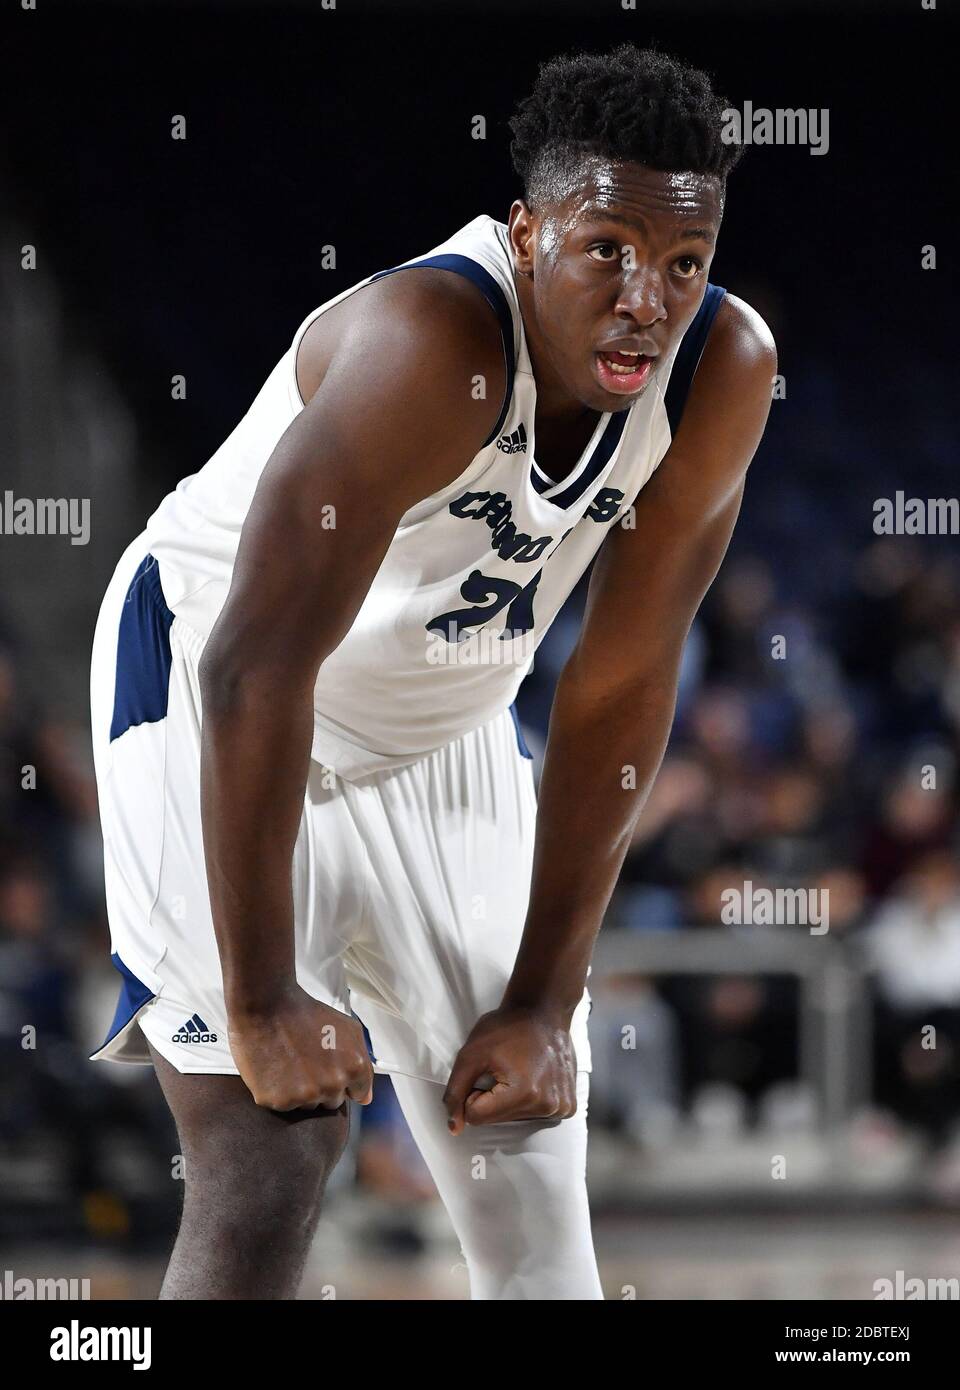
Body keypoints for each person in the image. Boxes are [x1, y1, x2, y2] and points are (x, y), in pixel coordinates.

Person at [88, 42, 775, 1299]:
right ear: (526, 233)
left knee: (530, 1182)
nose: (646, 299)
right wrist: (258, 996)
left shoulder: (724, 373)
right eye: (606, 248)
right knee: (270, 1154)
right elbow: (254, 661)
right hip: (212, 679)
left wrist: (541, 997)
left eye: (684, 261)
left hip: (444, 723)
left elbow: (618, 692)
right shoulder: (428, 340)